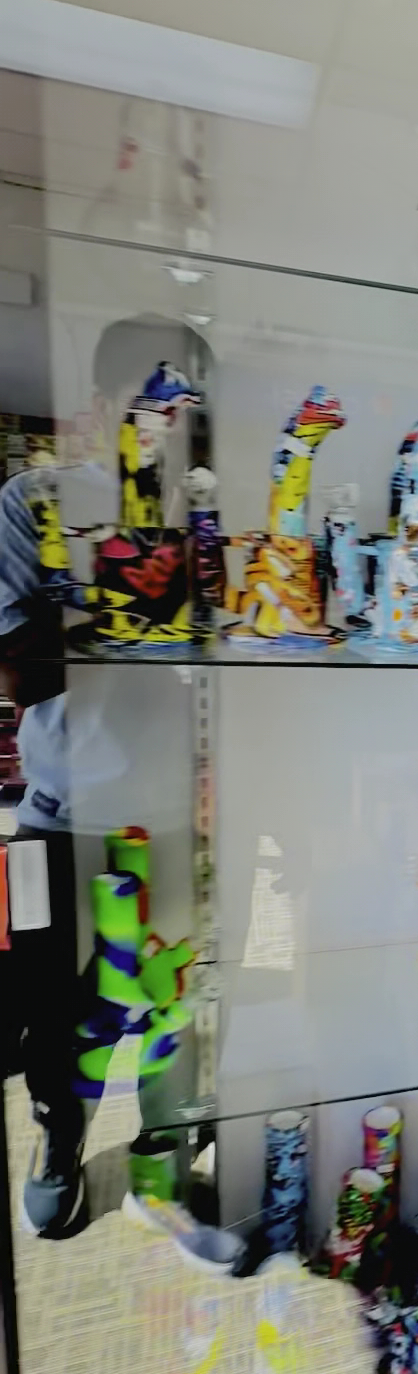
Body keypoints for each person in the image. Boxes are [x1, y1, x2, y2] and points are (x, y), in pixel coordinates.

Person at [0, 314, 209, 1238]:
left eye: (186, 405)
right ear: (99, 405)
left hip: (174, 810)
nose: (170, 420)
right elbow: (19, 675)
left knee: (175, 996)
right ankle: (60, 1133)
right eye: (153, 399)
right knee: (50, 1006)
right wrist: (122, 594)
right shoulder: (37, 500)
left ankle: (167, 1145)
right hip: (59, 810)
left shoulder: (207, 513)